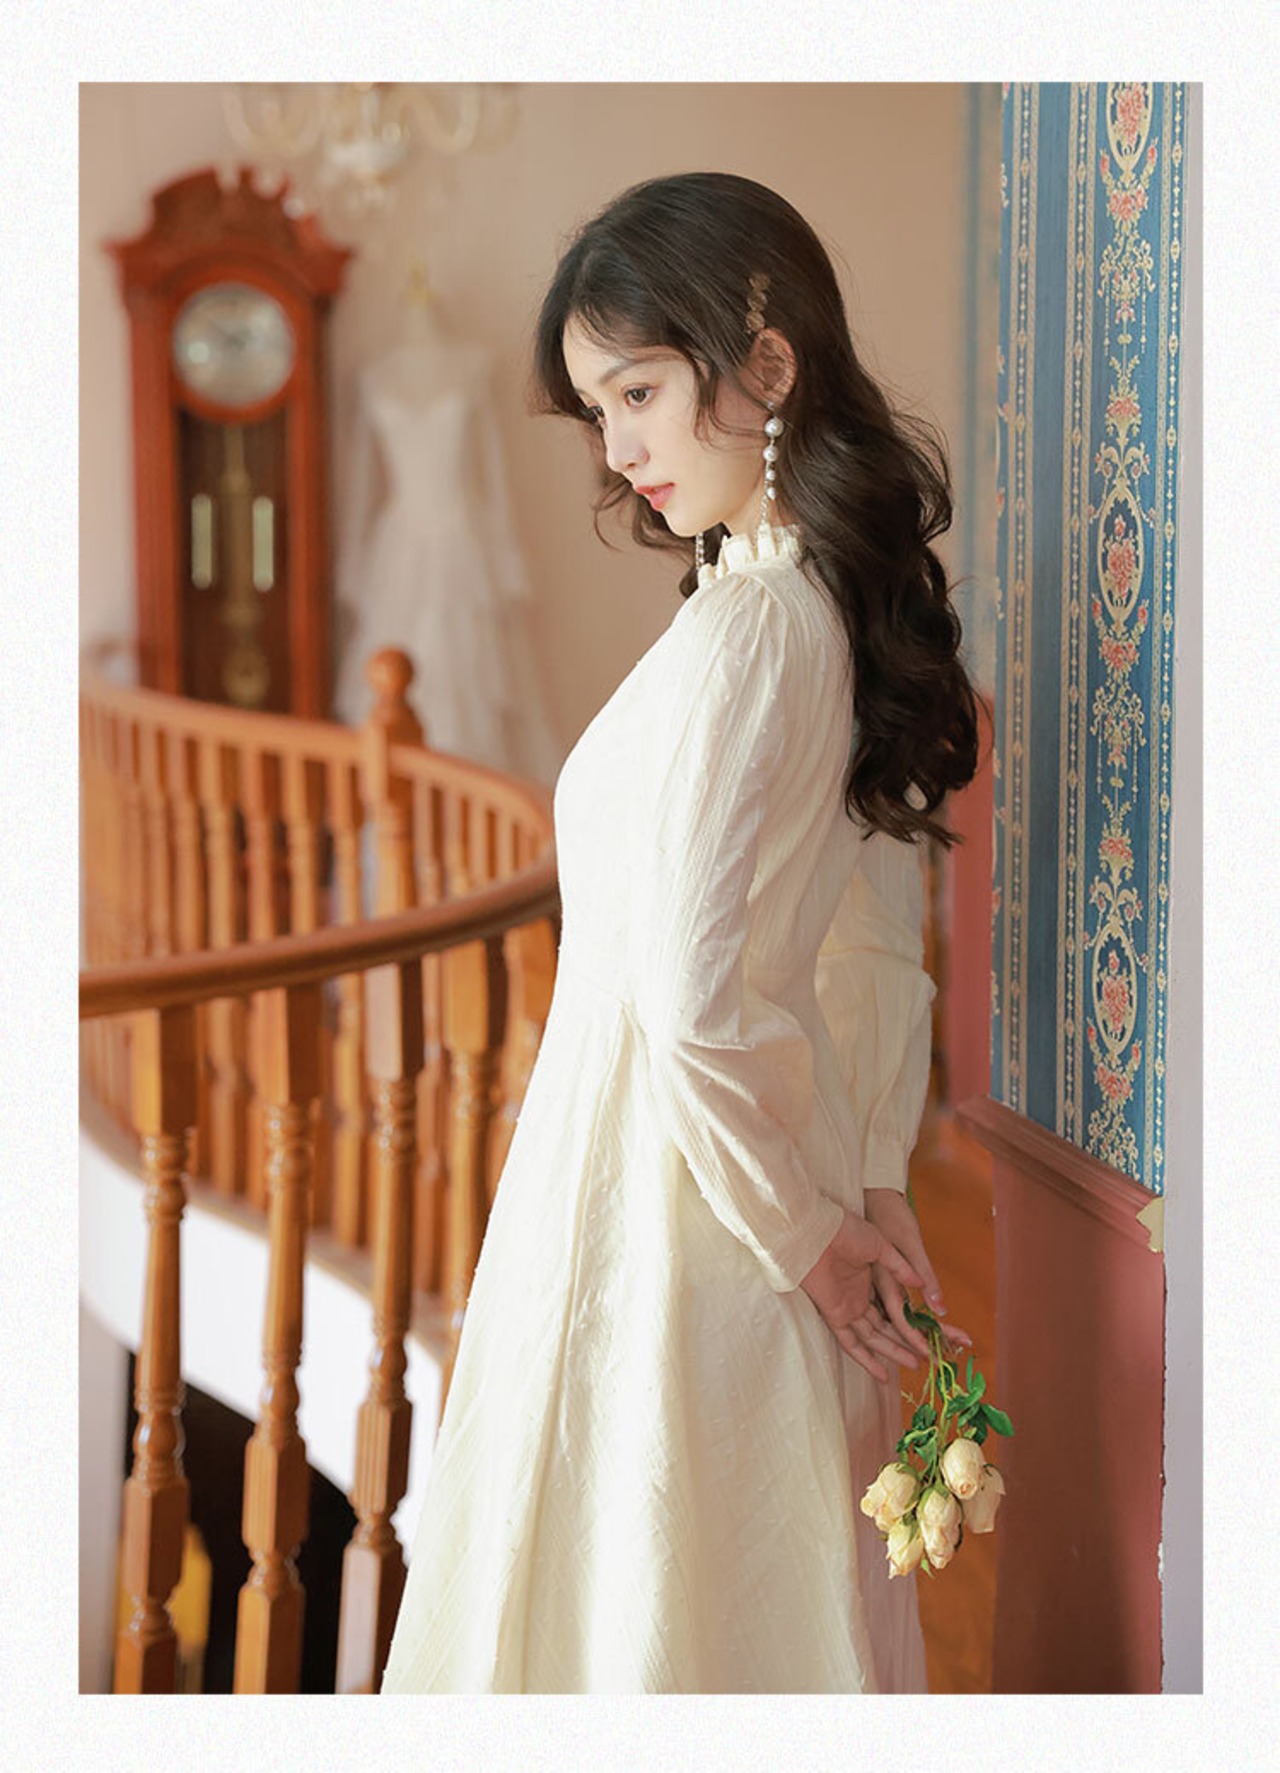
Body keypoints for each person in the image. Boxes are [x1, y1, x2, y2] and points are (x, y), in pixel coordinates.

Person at [379, 171, 980, 1695]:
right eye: (599, 410)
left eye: (638, 391)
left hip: (676, 1199)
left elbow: (696, 999)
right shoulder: (783, 599)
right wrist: (856, 1179)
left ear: (766, 364)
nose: (618, 447)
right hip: (725, 1176)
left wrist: (815, 1236)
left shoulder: (759, 629)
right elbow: (868, 934)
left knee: (641, 1614)